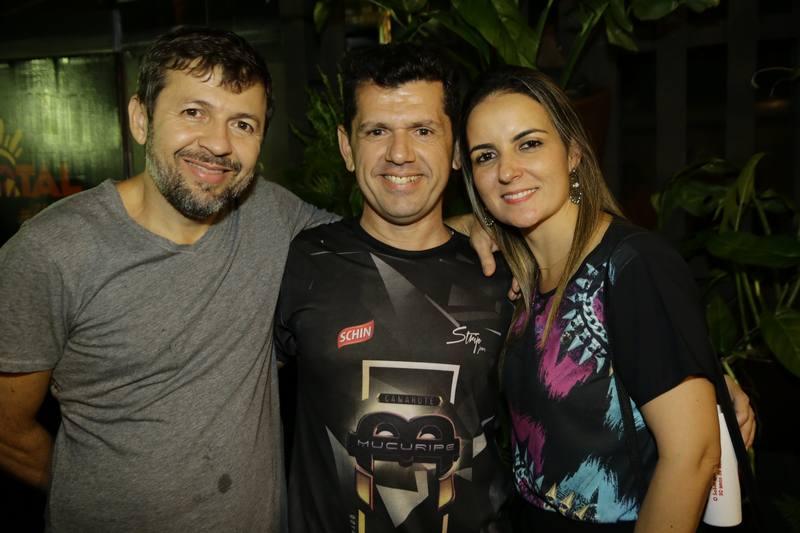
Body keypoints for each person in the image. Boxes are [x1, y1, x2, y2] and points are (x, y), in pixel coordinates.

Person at [0, 27, 335, 531]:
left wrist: (461, 228)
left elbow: (383, 241)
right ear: (141, 119)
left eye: (242, 123)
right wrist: (90, 495)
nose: (218, 144)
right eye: (194, 112)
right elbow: (6, 428)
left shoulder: (272, 214)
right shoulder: (51, 251)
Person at [459, 66, 753, 532]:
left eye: (529, 143)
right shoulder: (518, 275)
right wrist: (472, 223)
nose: (507, 171)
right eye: (486, 155)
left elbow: (693, 456)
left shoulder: (632, 266)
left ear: (573, 151)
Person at [274, 43, 515, 532]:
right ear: (347, 147)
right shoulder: (302, 260)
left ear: (455, 150)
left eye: (423, 130)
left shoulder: (502, 274)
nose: (399, 154)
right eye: (377, 131)